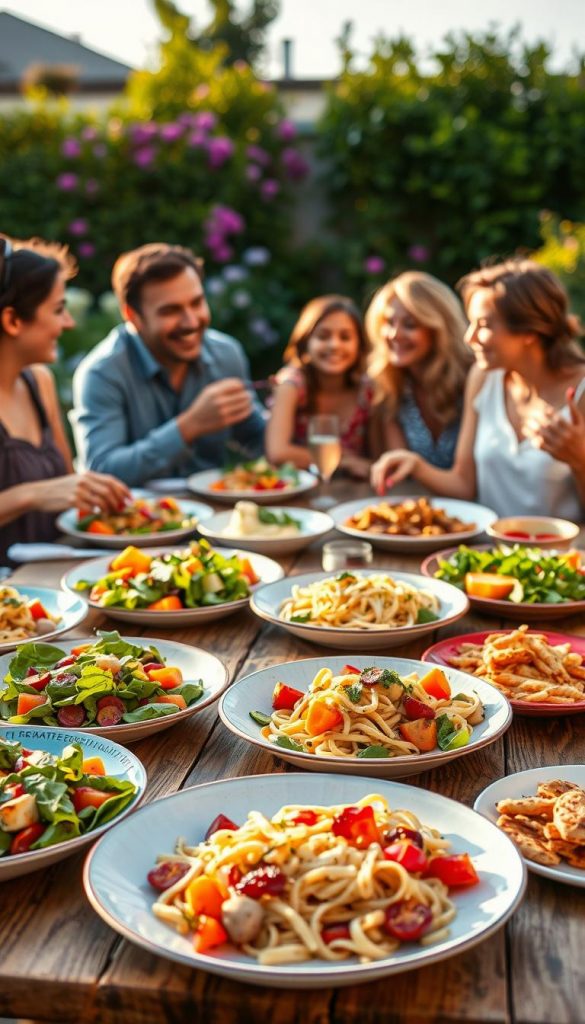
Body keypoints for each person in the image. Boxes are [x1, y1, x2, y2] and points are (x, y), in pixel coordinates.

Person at [371, 260, 585, 519]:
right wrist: (415, 464)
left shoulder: (580, 392)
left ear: (530, 330)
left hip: (559, 555)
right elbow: (463, 484)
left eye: (483, 325)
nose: (468, 337)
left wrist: (580, 460)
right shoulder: (484, 377)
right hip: (486, 553)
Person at [71, 243, 266, 486]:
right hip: (138, 518)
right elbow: (102, 472)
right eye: (171, 311)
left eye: (196, 303)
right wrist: (187, 427)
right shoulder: (102, 372)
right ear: (132, 315)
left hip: (217, 516)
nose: (191, 322)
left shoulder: (226, 354)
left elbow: (257, 439)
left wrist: (293, 409)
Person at [0, 235, 129, 563]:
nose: (69, 323)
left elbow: (67, 485)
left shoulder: (39, 383)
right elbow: (48, 491)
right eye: (59, 310)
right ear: (13, 321)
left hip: (58, 573)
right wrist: (29, 495)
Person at [366, 271, 472, 469]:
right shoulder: (391, 385)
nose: (394, 334)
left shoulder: (471, 378)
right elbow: (400, 470)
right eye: (389, 322)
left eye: (410, 324)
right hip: (419, 498)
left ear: (438, 329)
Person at [265, 295, 374, 477]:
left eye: (345, 337)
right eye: (323, 336)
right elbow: (277, 453)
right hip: (300, 491)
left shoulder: (368, 390)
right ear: (306, 342)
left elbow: (377, 458)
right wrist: (343, 460)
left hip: (353, 494)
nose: (334, 345)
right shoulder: (291, 384)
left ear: (359, 345)